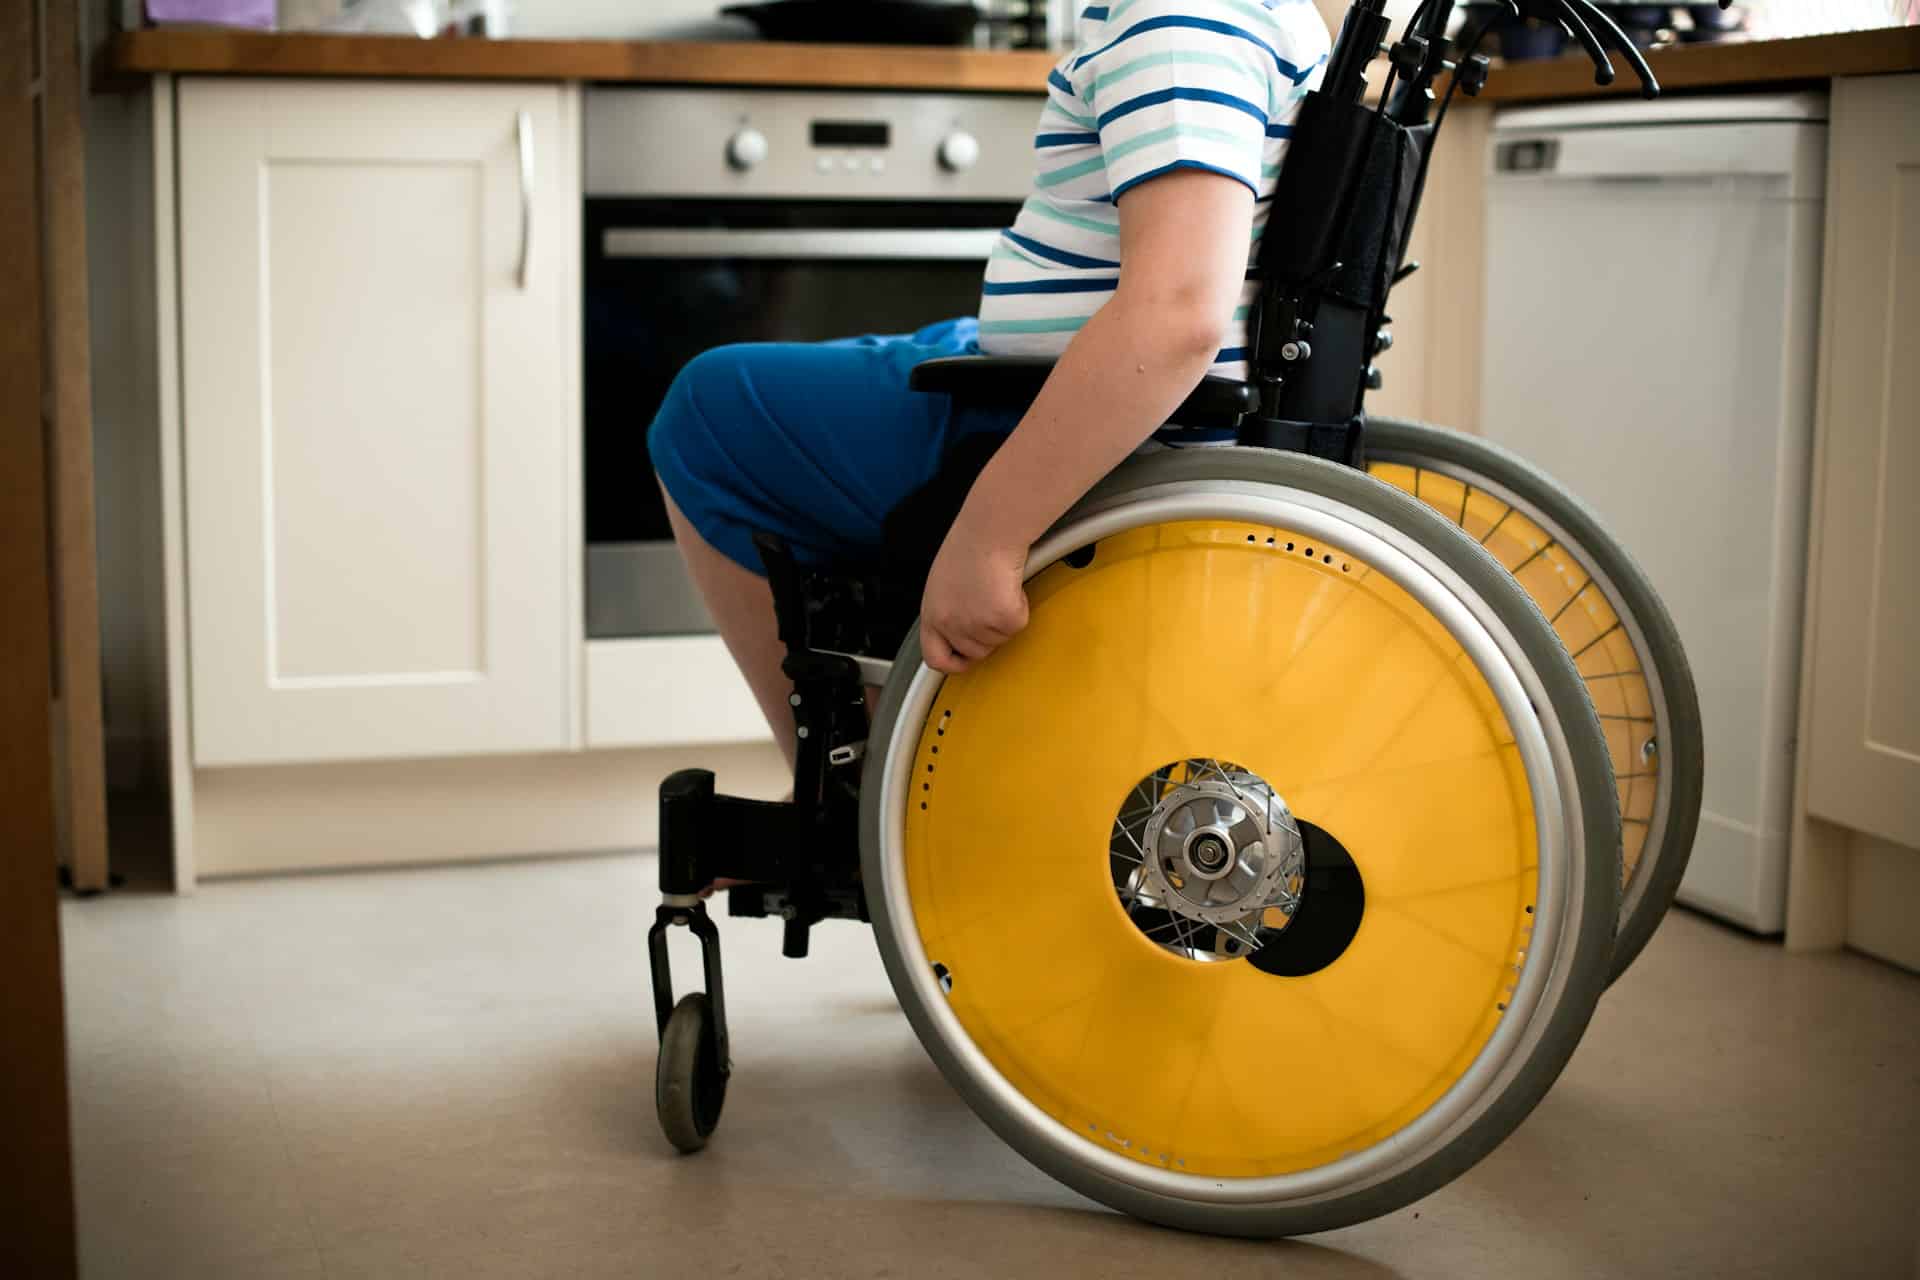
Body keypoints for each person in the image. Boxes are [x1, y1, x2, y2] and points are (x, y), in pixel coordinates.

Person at [648, 0, 1331, 760]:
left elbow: (1177, 315)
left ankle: (857, 785)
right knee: (914, 352)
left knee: (711, 412)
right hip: (1069, 386)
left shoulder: (1179, 24)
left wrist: (988, 540)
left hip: (1087, 425)